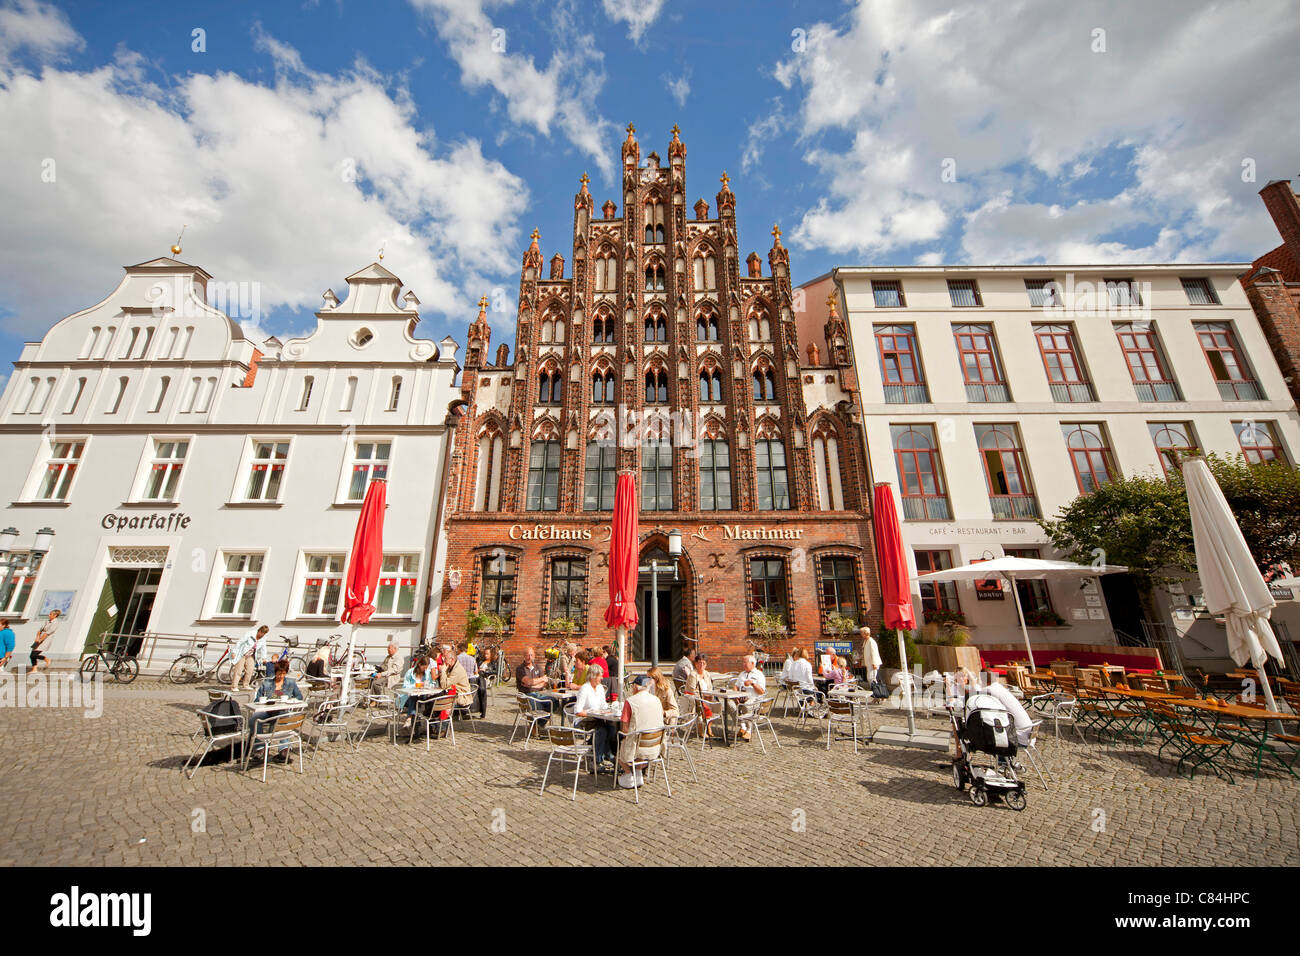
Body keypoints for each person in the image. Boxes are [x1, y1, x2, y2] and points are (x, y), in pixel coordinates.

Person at [618, 675, 665, 789]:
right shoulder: (657, 700)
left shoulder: (630, 702)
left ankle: (628, 774)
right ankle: (638, 773)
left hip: (636, 747)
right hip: (655, 745)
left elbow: (625, 728)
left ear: (635, 687)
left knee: (618, 743)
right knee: (642, 736)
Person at [248, 658, 305, 751]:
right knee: (254, 719)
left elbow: (299, 697)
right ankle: (260, 747)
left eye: (283, 674)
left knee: (284, 718)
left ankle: (284, 748)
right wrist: (264, 701)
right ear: (275, 672)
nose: (281, 676)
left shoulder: (290, 683)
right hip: (268, 711)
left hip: (283, 711)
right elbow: (257, 700)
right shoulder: (267, 683)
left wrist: (290, 700)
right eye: (279, 673)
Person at [574, 664, 616, 769]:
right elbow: (577, 711)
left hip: (598, 719)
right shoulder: (585, 689)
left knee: (612, 729)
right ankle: (597, 760)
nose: (602, 678)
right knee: (601, 731)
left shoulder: (601, 688)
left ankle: (608, 755)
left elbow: (603, 705)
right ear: (593, 676)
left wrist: (610, 709)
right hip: (584, 720)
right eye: (600, 676)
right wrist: (592, 713)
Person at [516, 646, 557, 730]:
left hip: (540, 694)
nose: (529, 657)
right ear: (524, 656)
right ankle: (535, 727)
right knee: (538, 706)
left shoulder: (538, 667)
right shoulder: (520, 669)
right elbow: (528, 681)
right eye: (527, 655)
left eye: (531, 655)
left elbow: (544, 683)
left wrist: (533, 685)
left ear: (534, 656)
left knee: (554, 701)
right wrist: (540, 679)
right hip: (526, 695)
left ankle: (539, 725)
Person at [731, 654, 766, 741]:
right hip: (741, 698)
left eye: (745, 662)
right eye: (743, 662)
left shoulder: (759, 674)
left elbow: (762, 691)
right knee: (729, 704)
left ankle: (749, 730)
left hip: (753, 700)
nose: (743, 664)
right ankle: (742, 726)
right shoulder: (742, 674)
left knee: (746, 705)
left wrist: (753, 684)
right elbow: (736, 686)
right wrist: (736, 696)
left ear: (752, 663)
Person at [684, 653, 718, 738]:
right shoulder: (693, 674)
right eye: (699, 662)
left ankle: (708, 726)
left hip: (708, 697)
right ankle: (701, 729)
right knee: (704, 706)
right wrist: (703, 696)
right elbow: (692, 690)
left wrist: (709, 695)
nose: (701, 665)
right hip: (695, 698)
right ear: (695, 663)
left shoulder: (707, 674)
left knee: (717, 705)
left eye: (703, 663)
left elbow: (710, 687)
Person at [230, 624, 268, 692]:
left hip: (251, 655)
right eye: (261, 633)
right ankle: (234, 686)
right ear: (259, 631)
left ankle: (246, 685)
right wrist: (234, 652)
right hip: (242, 654)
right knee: (239, 670)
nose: (262, 635)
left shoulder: (263, 638)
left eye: (264, 634)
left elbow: (263, 648)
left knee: (250, 670)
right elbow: (240, 642)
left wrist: (264, 658)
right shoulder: (250, 633)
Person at [400, 653, 435, 721]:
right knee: (414, 698)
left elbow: (431, 684)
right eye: (424, 667)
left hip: (423, 696)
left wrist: (427, 685)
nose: (425, 669)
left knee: (429, 699)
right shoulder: (410, 672)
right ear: (419, 664)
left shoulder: (427, 673)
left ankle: (411, 718)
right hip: (408, 697)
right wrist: (416, 685)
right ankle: (412, 718)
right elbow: (405, 686)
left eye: (426, 667)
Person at [28, 608, 61, 676]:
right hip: (39, 639)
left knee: (34, 654)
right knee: (32, 655)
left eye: (50, 614)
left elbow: (47, 633)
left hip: (46, 640)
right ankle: (34, 669)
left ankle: (46, 659)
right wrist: (37, 638)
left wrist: (40, 640)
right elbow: (40, 630)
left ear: (55, 615)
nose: (49, 615)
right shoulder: (47, 621)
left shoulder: (55, 623)